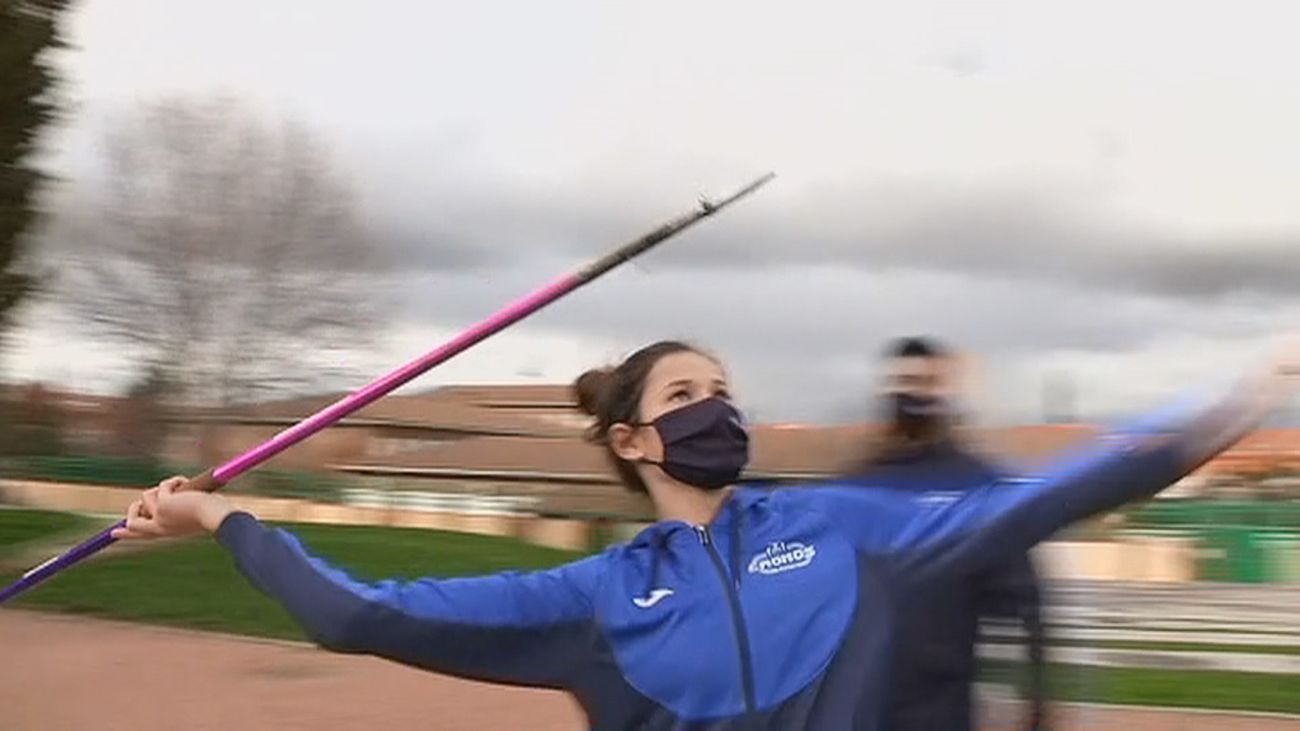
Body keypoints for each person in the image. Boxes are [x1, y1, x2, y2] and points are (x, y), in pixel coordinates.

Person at [114, 338, 1297, 730]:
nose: (716, 408)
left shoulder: (840, 524)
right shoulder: (588, 595)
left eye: (723, 387)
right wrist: (221, 513)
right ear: (630, 442)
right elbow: (357, 611)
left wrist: (1228, 405)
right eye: (686, 395)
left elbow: (1049, 493)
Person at [844, 337, 1048, 731]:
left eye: (926, 382)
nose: (913, 394)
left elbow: (1028, 604)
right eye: (904, 381)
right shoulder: (860, 483)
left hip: (943, 708)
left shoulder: (978, 486)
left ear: (946, 391)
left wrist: (1037, 704)